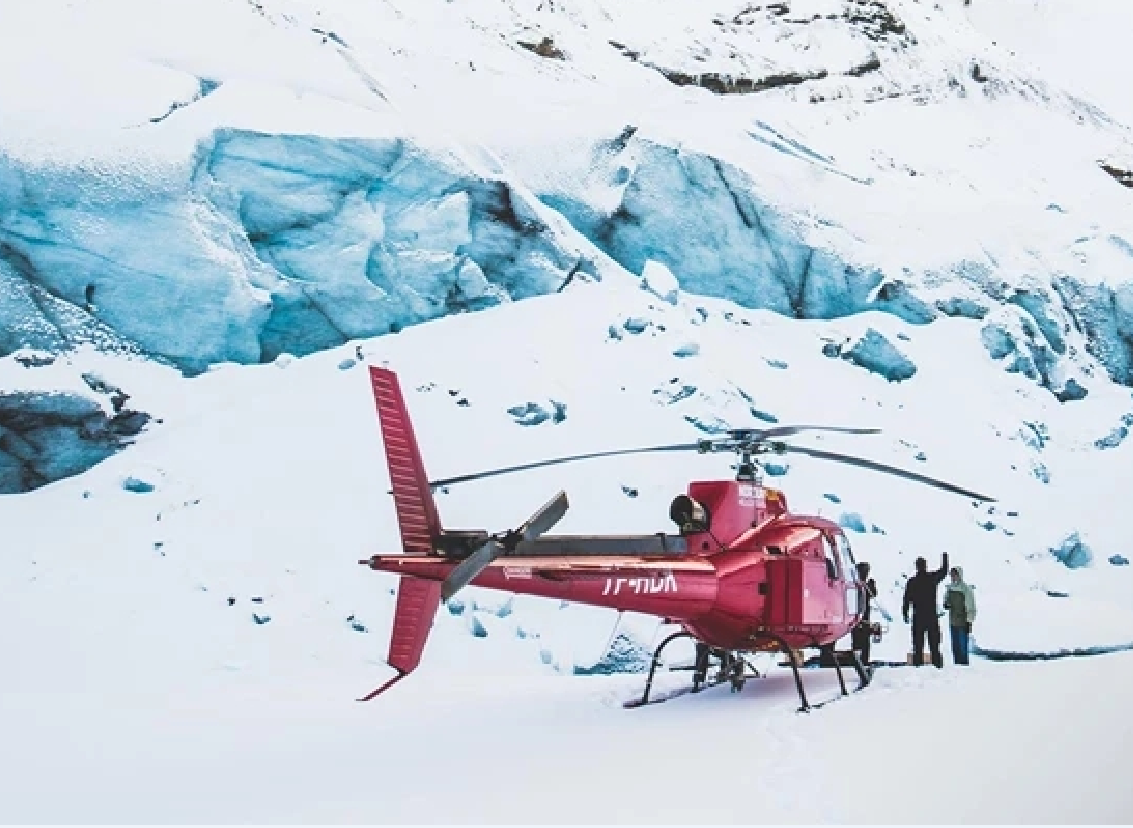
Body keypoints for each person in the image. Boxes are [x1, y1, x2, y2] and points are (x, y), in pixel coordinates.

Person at [902, 553, 949, 668]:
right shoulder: (931, 578)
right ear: (925, 566)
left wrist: (905, 613)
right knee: (934, 645)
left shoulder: (912, 581)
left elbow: (906, 599)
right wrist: (945, 558)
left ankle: (918, 665)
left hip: (918, 616)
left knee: (918, 645)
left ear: (917, 567)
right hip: (931, 616)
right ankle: (937, 665)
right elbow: (944, 571)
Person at [943, 566, 977, 665]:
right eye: (952, 575)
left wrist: (969, 622)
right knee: (955, 647)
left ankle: (964, 666)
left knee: (963, 648)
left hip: (963, 622)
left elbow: (971, 607)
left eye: (955, 575)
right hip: (953, 621)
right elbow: (946, 601)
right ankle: (957, 667)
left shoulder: (966, 589)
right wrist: (946, 604)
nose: (953, 577)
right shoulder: (950, 588)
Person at [851, 561, 878, 665]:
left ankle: (860, 661)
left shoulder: (862, 586)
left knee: (861, 642)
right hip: (860, 618)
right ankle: (861, 662)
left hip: (860, 618)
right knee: (862, 642)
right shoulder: (858, 586)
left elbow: (873, 594)